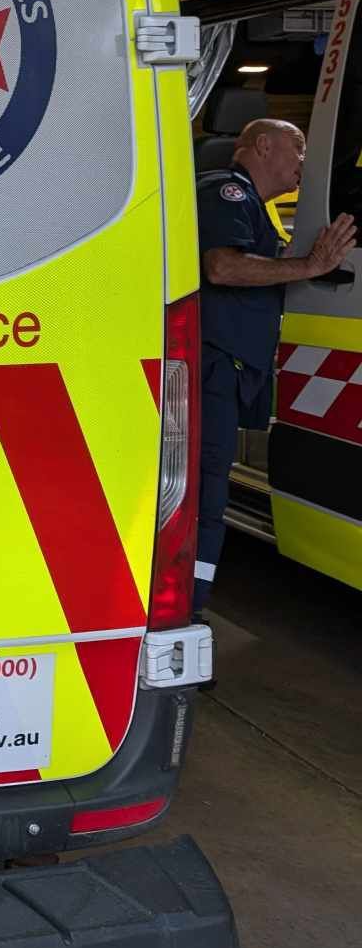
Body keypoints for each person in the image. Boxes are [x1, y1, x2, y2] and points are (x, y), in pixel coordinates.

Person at [194, 118, 356, 614]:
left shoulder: (253, 207)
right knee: (206, 497)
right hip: (214, 369)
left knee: (210, 491)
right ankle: (189, 610)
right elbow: (222, 266)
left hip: (228, 370)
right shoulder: (226, 192)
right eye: (298, 148)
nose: (303, 162)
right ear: (263, 146)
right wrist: (310, 267)